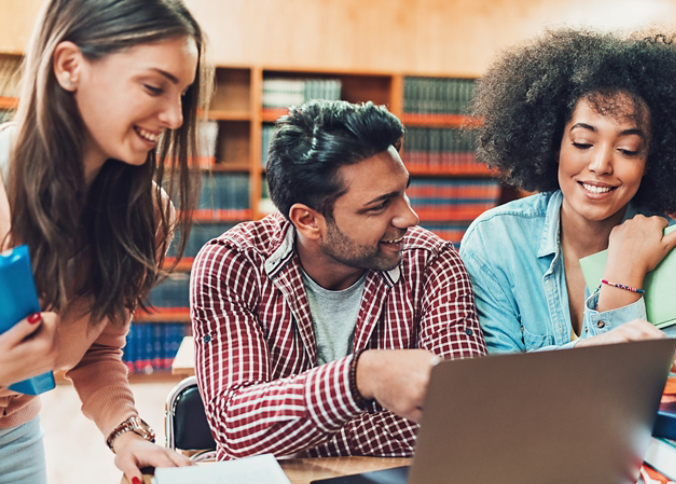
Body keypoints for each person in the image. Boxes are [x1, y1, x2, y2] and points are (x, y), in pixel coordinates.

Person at [191, 99, 487, 460]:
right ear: (307, 220)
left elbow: (459, 416)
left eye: (403, 191)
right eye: (379, 206)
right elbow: (237, 427)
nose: (410, 217)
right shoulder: (233, 264)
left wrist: (285, 435)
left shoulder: (434, 263)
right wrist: (363, 376)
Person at [459, 29, 676, 375]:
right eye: (583, 142)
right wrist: (619, 290)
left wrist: (621, 283)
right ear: (553, 143)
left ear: (652, 160)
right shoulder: (496, 242)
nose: (601, 165)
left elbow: (640, 403)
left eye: (627, 149)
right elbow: (495, 389)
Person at [0, 0, 210, 482]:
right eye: (155, 87)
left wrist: (127, 433)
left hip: (15, 440)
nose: (176, 117)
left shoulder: (148, 215)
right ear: (69, 66)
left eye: (183, 94)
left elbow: (97, 351)